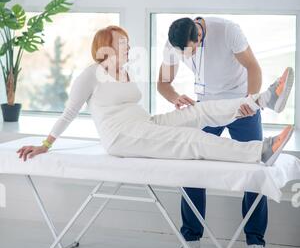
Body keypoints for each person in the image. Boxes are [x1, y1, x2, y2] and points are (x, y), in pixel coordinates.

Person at [17, 25, 293, 220]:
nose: (127, 46)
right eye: (121, 42)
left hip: (144, 124)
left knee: (198, 112)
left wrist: (172, 102)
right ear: (105, 47)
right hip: (123, 137)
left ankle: (264, 99)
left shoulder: (125, 71)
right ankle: (261, 150)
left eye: (126, 41)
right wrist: (45, 144)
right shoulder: (90, 75)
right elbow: (69, 113)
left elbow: (134, 104)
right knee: (192, 139)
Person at [157, 16, 294, 248]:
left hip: (240, 105)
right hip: (207, 108)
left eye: (193, 48)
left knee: (256, 170)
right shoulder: (173, 44)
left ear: (199, 34)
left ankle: (255, 241)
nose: (191, 54)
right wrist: (175, 97)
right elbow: (163, 83)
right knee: (192, 168)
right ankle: (191, 237)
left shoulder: (228, 31)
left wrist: (250, 101)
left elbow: (253, 67)